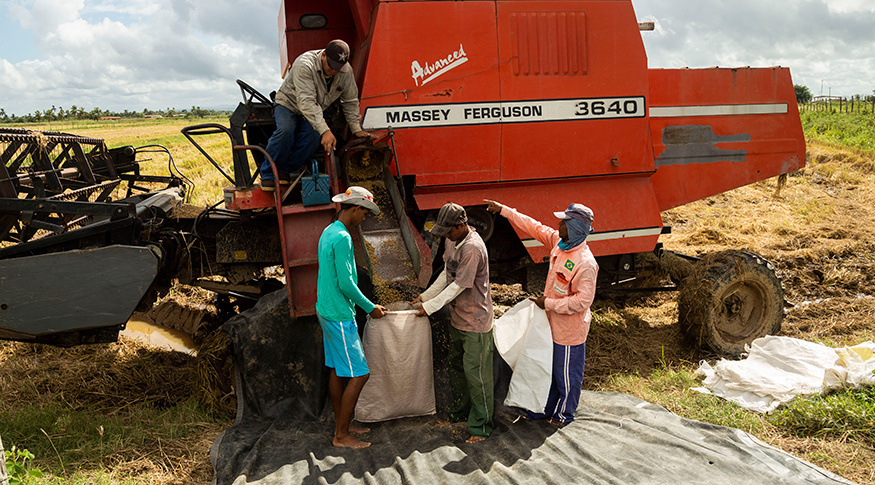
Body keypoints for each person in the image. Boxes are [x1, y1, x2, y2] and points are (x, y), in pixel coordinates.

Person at [484, 199, 598, 427]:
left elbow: (582, 301)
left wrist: (549, 304)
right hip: (549, 325)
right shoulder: (559, 243)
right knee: (546, 370)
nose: (558, 225)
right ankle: (543, 409)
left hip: (568, 331)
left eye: (564, 222)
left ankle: (565, 414)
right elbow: (533, 226)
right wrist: (505, 210)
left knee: (566, 376)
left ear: (575, 228)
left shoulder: (585, 264)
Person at [411, 203, 494, 443]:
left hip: (476, 322)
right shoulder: (452, 240)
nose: (446, 235)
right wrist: (425, 295)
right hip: (458, 318)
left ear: (461, 225)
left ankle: (481, 426)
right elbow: (447, 275)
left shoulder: (473, 249)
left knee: (477, 374)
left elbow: (458, 286)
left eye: (449, 231)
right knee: (457, 367)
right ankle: (460, 413)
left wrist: (430, 307)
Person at [316, 186, 388, 449]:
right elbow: (346, 284)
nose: (364, 219)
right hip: (339, 313)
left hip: (325, 308)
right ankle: (341, 436)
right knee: (360, 374)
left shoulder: (329, 230)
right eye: (364, 213)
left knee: (337, 368)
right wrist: (370, 307)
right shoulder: (343, 238)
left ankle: (342, 424)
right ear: (356, 208)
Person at [260, 39, 371, 191]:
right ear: (324, 56)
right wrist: (325, 130)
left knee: (313, 137)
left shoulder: (345, 71)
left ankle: (285, 170)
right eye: (332, 67)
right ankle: (268, 174)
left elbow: (350, 100)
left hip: (316, 108)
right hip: (289, 104)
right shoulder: (304, 64)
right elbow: (306, 102)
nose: (335, 71)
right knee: (286, 130)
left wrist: (355, 128)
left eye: (339, 68)